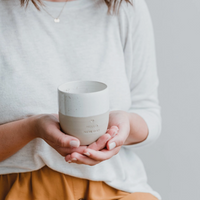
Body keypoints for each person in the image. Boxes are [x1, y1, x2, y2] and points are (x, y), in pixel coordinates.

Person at [0, 0, 162, 199]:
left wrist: (125, 124)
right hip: (15, 189)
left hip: (117, 188)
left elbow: (147, 109)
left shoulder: (125, 7)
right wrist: (32, 128)